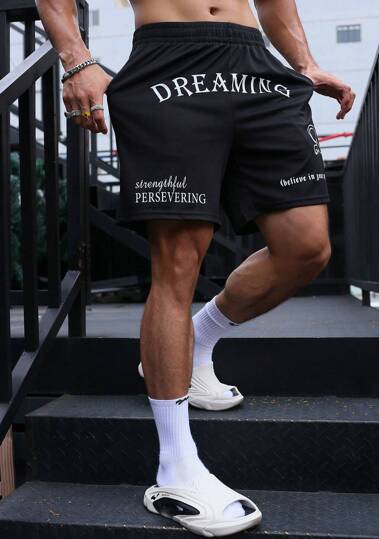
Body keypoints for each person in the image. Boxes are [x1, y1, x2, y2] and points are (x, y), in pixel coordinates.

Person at [36, 0, 355, 535]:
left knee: (307, 248)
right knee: (178, 263)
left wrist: (304, 62)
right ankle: (176, 471)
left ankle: (198, 340)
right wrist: (76, 59)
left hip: (256, 65)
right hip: (170, 63)